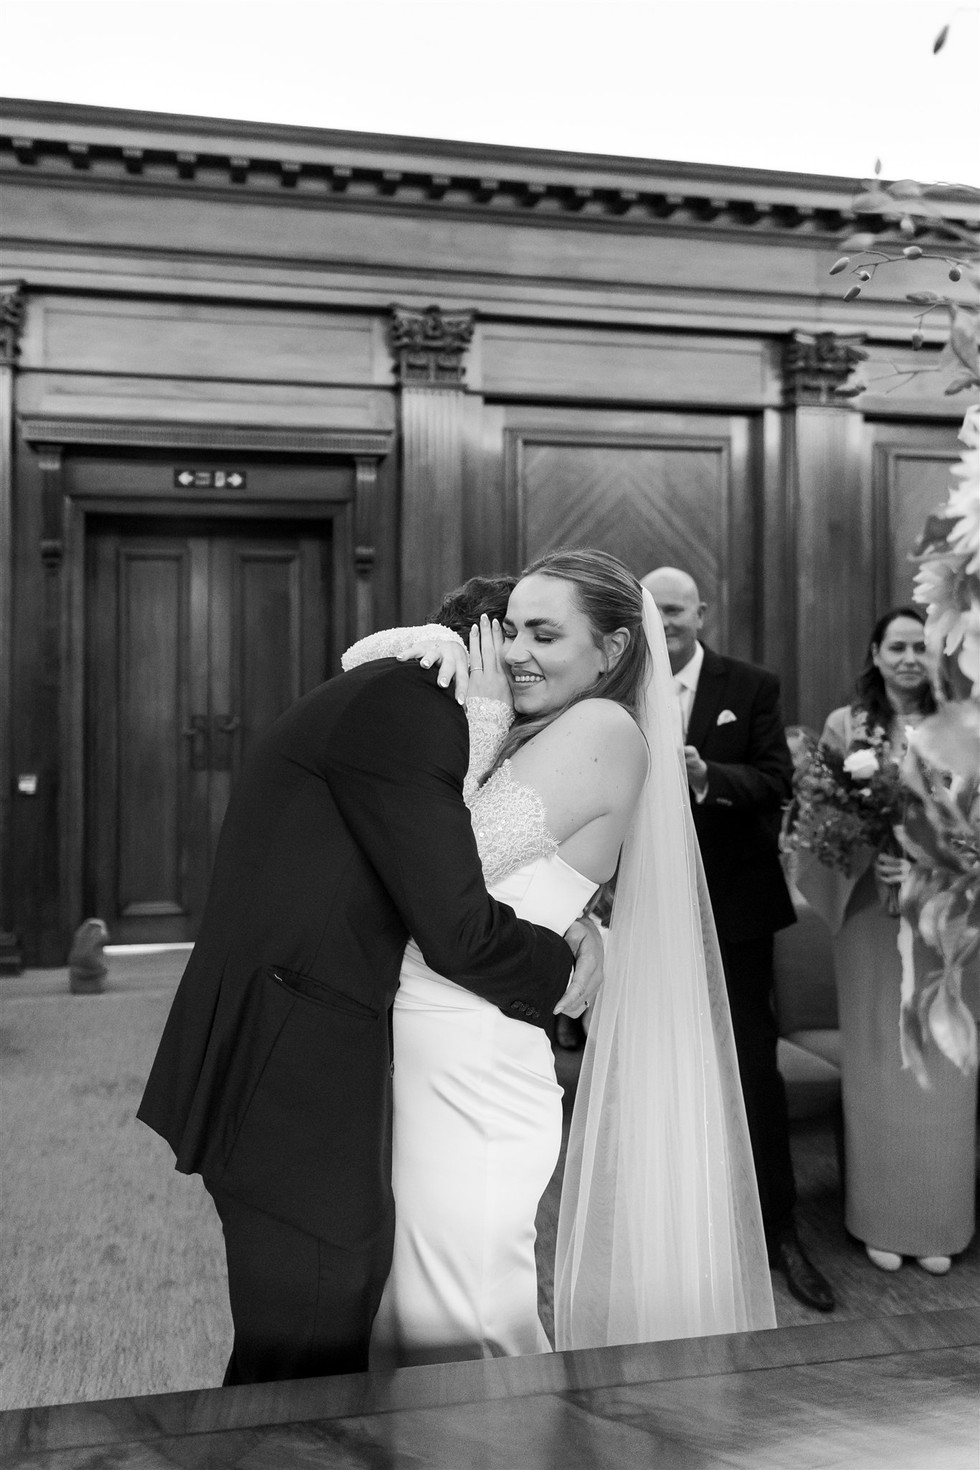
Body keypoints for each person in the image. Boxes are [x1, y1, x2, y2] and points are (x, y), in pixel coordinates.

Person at [136, 578, 604, 1386]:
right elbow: (454, 926)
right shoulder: (411, 710)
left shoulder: (391, 692)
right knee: (304, 1357)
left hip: (297, 1043)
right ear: (480, 649)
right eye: (517, 652)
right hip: (290, 1067)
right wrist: (569, 966)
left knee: (321, 1327)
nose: (525, 674)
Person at [356, 550, 775, 1363]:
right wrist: (580, 925)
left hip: (473, 1058)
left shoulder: (603, 729)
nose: (513, 653)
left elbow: (442, 864)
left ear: (613, 652)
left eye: (545, 634)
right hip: (441, 1036)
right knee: (424, 1300)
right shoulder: (548, 725)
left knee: (464, 1314)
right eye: (509, 630)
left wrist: (479, 722)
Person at [641, 566, 835, 1314]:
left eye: (680, 610)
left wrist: (705, 777)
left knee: (752, 1068)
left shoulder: (750, 684)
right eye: (657, 612)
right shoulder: (623, 685)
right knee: (664, 1068)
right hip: (652, 908)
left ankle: (778, 1230)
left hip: (737, 909)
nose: (671, 622)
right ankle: (680, 1234)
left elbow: (776, 781)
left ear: (703, 613)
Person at [798, 606, 976, 1274]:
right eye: (897, 646)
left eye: (921, 647)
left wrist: (936, 859)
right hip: (872, 916)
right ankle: (880, 1216)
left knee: (945, 1064)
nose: (909, 657)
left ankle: (941, 1223)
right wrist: (874, 855)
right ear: (874, 653)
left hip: (948, 919)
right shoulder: (849, 727)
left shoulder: (964, 727)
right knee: (879, 1061)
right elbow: (817, 818)